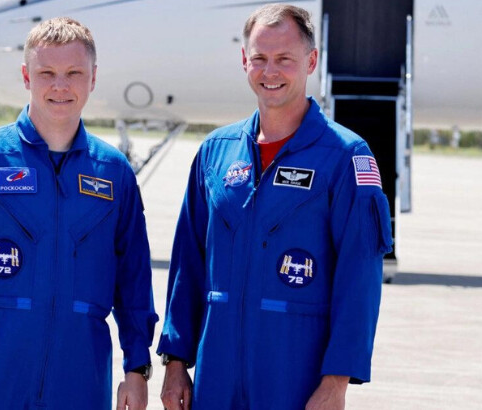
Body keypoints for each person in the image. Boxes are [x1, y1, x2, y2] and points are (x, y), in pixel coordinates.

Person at [157, 4, 393, 410]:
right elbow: (188, 267)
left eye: (285, 59)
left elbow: (360, 279)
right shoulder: (216, 152)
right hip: (217, 375)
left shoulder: (345, 157)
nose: (271, 72)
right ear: (244, 61)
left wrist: (336, 383)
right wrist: (176, 362)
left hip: (295, 377)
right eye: (260, 59)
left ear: (311, 61)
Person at [0, 17, 157, 410]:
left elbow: (133, 278)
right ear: (27, 76)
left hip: (80, 378)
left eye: (74, 73)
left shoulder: (114, 173)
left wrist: (136, 366)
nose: (60, 86)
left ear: (93, 78)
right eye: (47, 73)